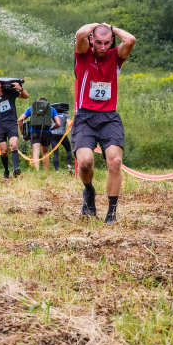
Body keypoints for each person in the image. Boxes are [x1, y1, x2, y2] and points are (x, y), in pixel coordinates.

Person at [72, 23, 136, 224]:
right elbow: (80, 33)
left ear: (112, 42)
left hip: (109, 117)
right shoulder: (83, 55)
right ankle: (89, 190)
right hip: (85, 117)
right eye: (98, 42)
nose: (102, 47)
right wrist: (97, 25)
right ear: (91, 40)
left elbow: (130, 40)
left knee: (115, 161)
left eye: (106, 43)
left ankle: (111, 213)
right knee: (85, 163)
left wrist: (111, 27)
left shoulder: (115, 57)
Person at [18, 97, 62, 171]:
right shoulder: (52, 109)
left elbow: (20, 120)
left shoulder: (32, 108)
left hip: (34, 132)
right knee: (45, 153)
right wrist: (51, 129)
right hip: (47, 133)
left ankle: (37, 172)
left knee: (36, 152)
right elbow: (58, 124)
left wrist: (23, 133)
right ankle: (46, 172)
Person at [50, 103, 73, 172]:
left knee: (56, 153)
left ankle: (57, 170)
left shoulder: (52, 113)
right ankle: (69, 166)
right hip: (62, 135)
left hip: (53, 134)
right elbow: (70, 125)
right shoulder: (65, 114)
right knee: (68, 150)